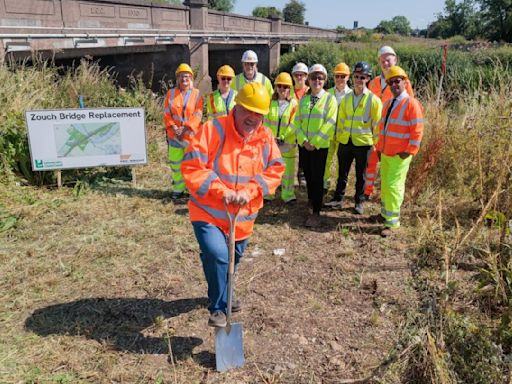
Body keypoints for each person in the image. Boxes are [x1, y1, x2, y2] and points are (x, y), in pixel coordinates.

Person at [182, 82, 285, 327]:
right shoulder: (213, 130)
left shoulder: (265, 137)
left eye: (258, 113)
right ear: (236, 107)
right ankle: (218, 309)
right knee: (218, 255)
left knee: (231, 260)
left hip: (242, 218)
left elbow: (275, 169)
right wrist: (222, 191)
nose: (252, 117)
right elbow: (192, 166)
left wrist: (250, 191)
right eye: (247, 110)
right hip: (208, 211)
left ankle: (223, 291)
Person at [326, 61, 382, 215]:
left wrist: (375, 145)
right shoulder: (346, 99)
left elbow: (377, 126)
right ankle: (338, 199)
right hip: (345, 142)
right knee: (342, 172)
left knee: (360, 175)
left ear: (368, 78)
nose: (359, 80)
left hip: (363, 144)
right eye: (357, 76)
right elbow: (341, 121)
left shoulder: (374, 101)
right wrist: (339, 138)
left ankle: (359, 202)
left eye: (362, 77)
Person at [375, 66, 424, 237]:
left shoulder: (411, 103)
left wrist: (410, 150)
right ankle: (385, 214)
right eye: (391, 82)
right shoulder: (388, 103)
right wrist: (379, 148)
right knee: (385, 185)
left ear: (405, 82)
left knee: (393, 186)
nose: (394, 84)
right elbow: (383, 129)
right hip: (386, 152)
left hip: (400, 154)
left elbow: (417, 130)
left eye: (397, 81)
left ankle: (393, 223)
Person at [364, 46, 415, 200]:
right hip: (374, 129)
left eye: (388, 60)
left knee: (390, 169)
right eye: (382, 61)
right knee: (370, 161)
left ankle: (388, 197)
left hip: (393, 133)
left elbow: (410, 106)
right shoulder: (374, 83)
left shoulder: (402, 82)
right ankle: (367, 191)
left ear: (395, 60)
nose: (385, 63)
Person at [295, 64, 337, 227]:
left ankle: (316, 212)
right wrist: (303, 140)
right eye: (313, 77)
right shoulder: (304, 99)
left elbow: (330, 123)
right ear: (309, 80)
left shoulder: (329, 99)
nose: (316, 81)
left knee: (318, 179)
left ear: (324, 80)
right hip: (305, 146)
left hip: (319, 147)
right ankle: (311, 202)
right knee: (309, 177)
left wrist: (315, 142)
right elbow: (297, 121)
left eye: (320, 78)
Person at [164, 63, 203, 199]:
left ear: (191, 78)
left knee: (192, 165)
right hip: (174, 136)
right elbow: (167, 114)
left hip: (190, 136)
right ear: (177, 78)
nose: (184, 79)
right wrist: (174, 127)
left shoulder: (197, 94)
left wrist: (185, 128)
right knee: (176, 164)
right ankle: (178, 189)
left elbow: (198, 114)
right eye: (181, 76)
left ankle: (192, 190)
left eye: (186, 76)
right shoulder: (171, 94)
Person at [263, 72, 298, 203]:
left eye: (285, 87)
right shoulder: (270, 102)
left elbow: (294, 123)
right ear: (276, 87)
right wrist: (272, 138)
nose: (282, 89)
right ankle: (268, 194)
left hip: (287, 143)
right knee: (270, 169)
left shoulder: (294, 104)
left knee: (287, 172)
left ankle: (288, 195)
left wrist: (283, 136)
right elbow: (265, 121)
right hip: (272, 143)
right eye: (280, 86)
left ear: (290, 88)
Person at [324, 62, 352, 192]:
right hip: (328, 133)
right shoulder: (327, 93)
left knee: (343, 165)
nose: (340, 79)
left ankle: (341, 189)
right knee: (326, 161)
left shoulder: (352, 94)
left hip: (344, 136)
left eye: (343, 76)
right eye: (337, 76)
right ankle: (324, 184)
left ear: (348, 77)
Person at [291, 62, 309, 188]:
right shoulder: (288, 90)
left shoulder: (310, 91)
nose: (299, 77)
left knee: (304, 154)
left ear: (306, 76)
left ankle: (302, 175)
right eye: (297, 75)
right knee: (288, 154)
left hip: (304, 128)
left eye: (301, 75)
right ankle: (285, 178)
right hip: (290, 128)